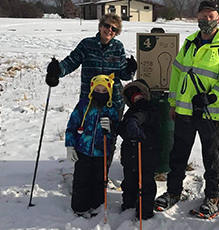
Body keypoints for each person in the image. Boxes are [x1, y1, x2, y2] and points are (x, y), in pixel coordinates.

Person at [154, 0, 219, 216]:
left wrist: (211, 97)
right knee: (178, 155)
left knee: (210, 157)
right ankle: (173, 192)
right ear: (197, 18)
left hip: (209, 113)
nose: (206, 20)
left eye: (211, 16)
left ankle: (211, 196)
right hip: (184, 112)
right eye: (203, 16)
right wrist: (173, 103)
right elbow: (176, 74)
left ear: (218, 18)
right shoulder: (190, 43)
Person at [46, 13, 137, 167]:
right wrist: (57, 71)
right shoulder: (87, 45)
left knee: (108, 137)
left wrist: (130, 69)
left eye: (114, 29)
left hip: (113, 101)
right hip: (90, 100)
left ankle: (103, 174)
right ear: (100, 26)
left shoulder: (118, 47)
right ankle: (84, 173)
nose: (109, 30)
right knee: (86, 135)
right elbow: (71, 62)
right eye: (107, 26)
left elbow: (123, 74)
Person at [65, 74, 119, 218]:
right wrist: (70, 145)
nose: (100, 94)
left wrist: (111, 128)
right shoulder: (84, 105)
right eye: (97, 90)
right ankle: (80, 207)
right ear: (92, 90)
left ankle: (97, 206)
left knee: (99, 180)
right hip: (83, 150)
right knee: (82, 179)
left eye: (104, 91)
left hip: (102, 152)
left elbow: (116, 130)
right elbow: (72, 125)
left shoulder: (111, 108)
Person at [118, 79, 160, 220]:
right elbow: (123, 130)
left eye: (139, 95)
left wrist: (137, 119)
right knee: (129, 182)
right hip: (130, 156)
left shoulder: (152, 109)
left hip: (147, 154)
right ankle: (128, 205)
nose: (137, 99)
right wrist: (116, 127)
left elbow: (151, 118)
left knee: (146, 184)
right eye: (133, 97)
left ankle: (145, 211)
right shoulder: (129, 113)